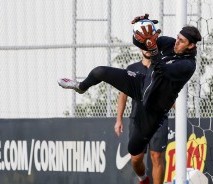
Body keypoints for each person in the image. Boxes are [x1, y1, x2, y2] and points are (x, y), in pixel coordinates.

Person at [58, 14, 201, 157]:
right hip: (140, 84)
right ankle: (81, 87)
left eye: (181, 41)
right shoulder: (168, 43)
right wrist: (140, 29)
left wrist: (154, 51)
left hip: (154, 107)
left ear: (191, 45)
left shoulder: (188, 65)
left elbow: (162, 71)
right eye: (177, 38)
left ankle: (147, 140)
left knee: (134, 149)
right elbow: (142, 44)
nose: (176, 42)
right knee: (99, 71)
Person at [114, 48, 168, 184]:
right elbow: (123, 96)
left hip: (158, 119)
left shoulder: (162, 69)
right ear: (140, 48)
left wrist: (180, 109)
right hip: (137, 120)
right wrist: (118, 120)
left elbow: (170, 94)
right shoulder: (132, 69)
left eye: (151, 47)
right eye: (145, 47)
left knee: (156, 156)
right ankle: (143, 179)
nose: (148, 50)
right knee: (136, 159)